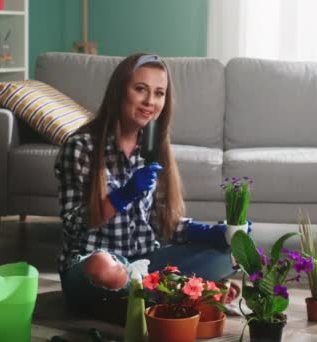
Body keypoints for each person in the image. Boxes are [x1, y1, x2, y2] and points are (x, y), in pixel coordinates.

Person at [54, 53, 250, 323]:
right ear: (120, 91)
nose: (150, 102)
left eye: (159, 93)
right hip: (95, 266)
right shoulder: (81, 147)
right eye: (140, 89)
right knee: (104, 268)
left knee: (230, 254)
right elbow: (73, 226)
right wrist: (122, 196)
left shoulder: (154, 147)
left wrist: (215, 234)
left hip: (147, 263)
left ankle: (149, 297)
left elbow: (161, 221)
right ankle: (183, 293)